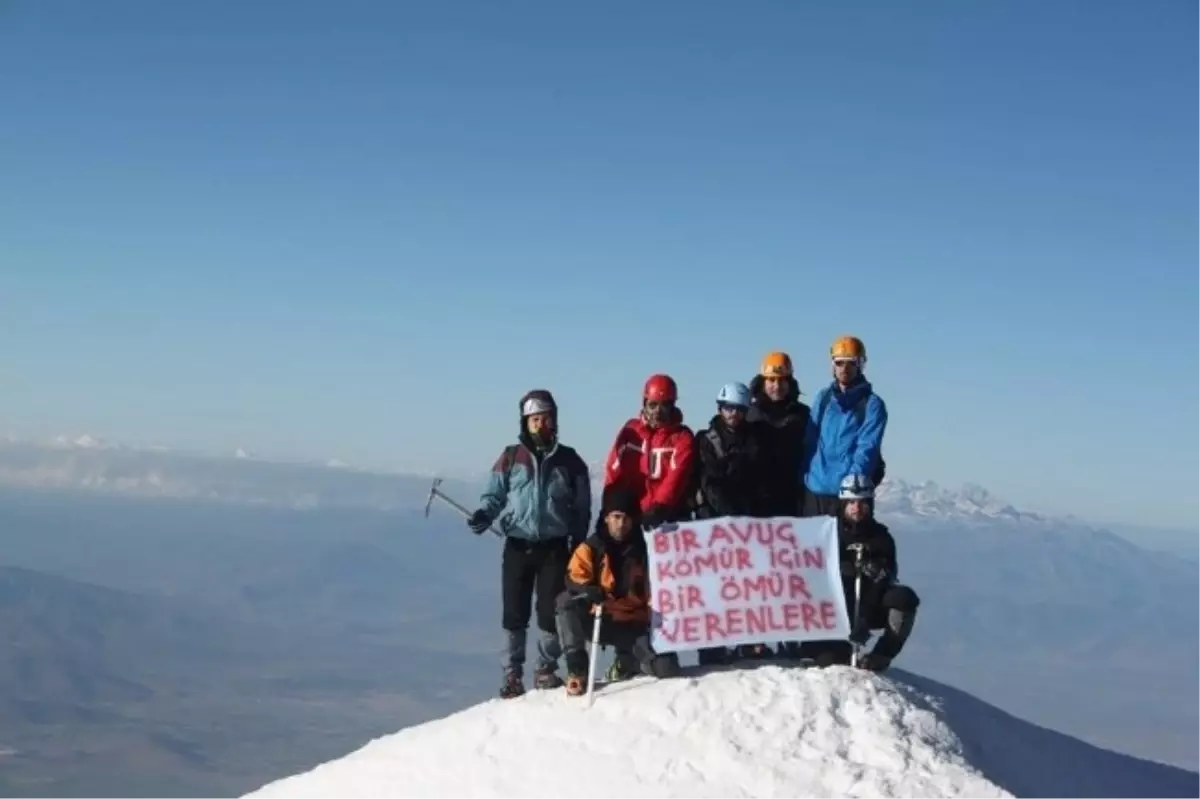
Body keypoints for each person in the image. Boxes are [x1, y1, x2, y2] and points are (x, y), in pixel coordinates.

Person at [467, 389, 592, 699]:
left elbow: (582, 506)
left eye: (546, 418)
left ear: (555, 421)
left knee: (552, 613)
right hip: (518, 545)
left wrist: (579, 541)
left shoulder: (570, 461)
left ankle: (545, 668)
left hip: (554, 546)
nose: (541, 424)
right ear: (525, 422)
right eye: (534, 419)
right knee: (514, 612)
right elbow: (495, 494)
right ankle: (512, 675)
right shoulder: (511, 457)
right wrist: (485, 513)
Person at [556, 488, 682, 696]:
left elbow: (661, 582)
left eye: (626, 518)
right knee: (565, 602)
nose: (621, 524)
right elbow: (574, 577)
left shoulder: (647, 549)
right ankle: (577, 670)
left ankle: (629, 662)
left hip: (634, 623)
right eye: (616, 517)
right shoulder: (591, 548)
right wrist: (587, 590)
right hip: (600, 617)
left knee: (667, 669)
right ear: (606, 518)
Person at [692, 381, 775, 665]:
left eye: (739, 409)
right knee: (716, 584)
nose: (733, 415)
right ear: (719, 408)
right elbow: (709, 481)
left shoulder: (757, 441)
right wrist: (726, 513)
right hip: (716, 523)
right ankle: (714, 644)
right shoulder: (706, 439)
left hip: (749, 521)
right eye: (728, 408)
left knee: (749, 584)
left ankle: (751, 639)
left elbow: (763, 480)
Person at [809, 474, 920, 671]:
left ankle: (881, 656)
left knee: (903, 598)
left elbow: (888, 577)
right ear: (843, 504)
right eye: (851, 502)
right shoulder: (827, 533)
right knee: (831, 662)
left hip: (868, 604)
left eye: (861, 502)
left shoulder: (881, 537)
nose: (856, 508)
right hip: (831, 611)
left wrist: (865, 619)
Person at [801, 336, 887, 517]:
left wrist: (852, 488)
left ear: (860, 365)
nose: (844, 369)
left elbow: (867, 448)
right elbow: (810, 439)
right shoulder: (823, 398)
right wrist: (806, 473)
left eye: (851, 363)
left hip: (850, 495)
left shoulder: (872, 404)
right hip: (815, 489)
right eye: (839, 363)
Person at [601, 374, 696, 531]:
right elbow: (614, 467)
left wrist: (659, 506)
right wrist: (610, 505)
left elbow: (677, 476)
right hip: (630, 516)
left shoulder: (681, 438)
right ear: (644, 403)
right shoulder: (631, 432)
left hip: (668, 518)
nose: (657, 412)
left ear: (672, 406)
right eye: (653, 405)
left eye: (664, 405)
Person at [746, 351, 811, 517]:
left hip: (793, 497)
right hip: (755, 498)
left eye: (782, 380)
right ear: (762, 382)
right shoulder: (749, 414)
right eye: (771, 380)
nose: (777, 386)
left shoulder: (803, 415)